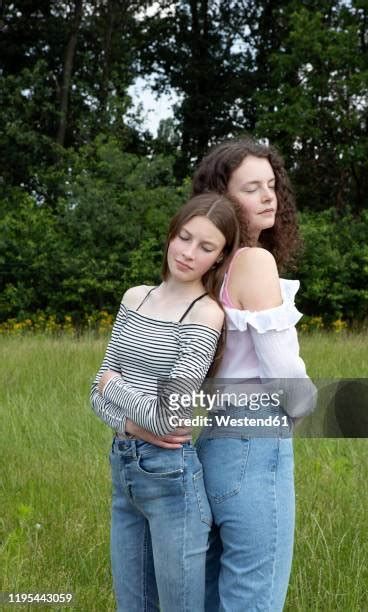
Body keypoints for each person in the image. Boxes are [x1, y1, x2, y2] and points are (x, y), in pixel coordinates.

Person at [90, 192, 240, 612]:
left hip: (172, 481)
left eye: (206, 247)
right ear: (172, 234)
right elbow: (93, 393)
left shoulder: (205, 314)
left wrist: (113, 387)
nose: (189, 253)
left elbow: (171, 415)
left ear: (219, 256)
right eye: (185, 237)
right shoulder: (134, 297)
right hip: (124, 472)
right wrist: (132, 425)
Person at [190, 138, 317, 612]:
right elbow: (283, 370)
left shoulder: (209, 267)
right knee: (254, 596)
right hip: (256, 442)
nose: (269, 197)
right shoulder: (255, 261)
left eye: (272, 185)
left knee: (209, 594)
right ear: (222, 200)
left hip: (212, 442)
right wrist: (304, 407)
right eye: (252, 188)